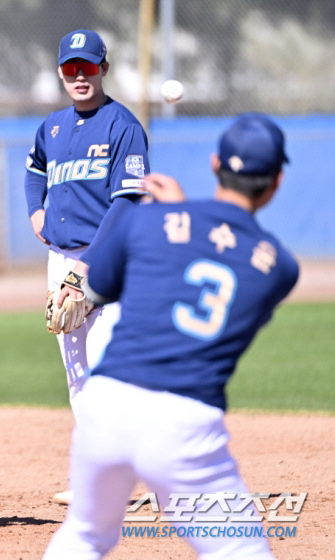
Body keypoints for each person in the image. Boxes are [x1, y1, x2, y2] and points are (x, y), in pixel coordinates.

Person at [43, 114, 298, 559]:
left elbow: (98, 288)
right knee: (237, 550)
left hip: (107, 406)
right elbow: (218, 259)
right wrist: (180, 219)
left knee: (84, 534)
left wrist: (169, 216)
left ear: (216, 163)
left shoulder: (146, 223)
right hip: (185, 422)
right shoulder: (279, 267)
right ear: (276, 182)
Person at [24, 29, 150, 505]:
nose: (80, 75)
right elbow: (34, 170)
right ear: (60, 72)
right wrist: (35, 210)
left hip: (108, 261)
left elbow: (128, 201)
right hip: (60, 258)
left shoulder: (123, 126)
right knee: (77, 372)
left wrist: (86, 268)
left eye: (89, 67)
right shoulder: (53, 127)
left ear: (104, 70)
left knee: (105, 369)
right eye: (71, 68)